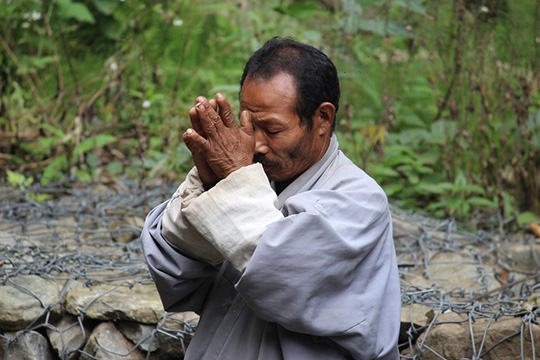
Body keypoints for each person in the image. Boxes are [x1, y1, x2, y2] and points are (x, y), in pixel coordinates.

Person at [141, 37, 401, 359]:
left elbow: (281, 274)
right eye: (249, 124)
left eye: (273, 130)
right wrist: (211, 189)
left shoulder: (359, 201)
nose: (258, 144)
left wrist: (233, 180)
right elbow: (172, 273)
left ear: (322, 119)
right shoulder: (253, 177)